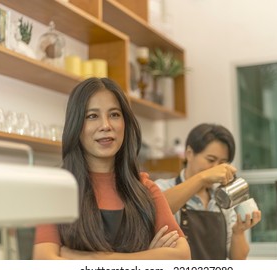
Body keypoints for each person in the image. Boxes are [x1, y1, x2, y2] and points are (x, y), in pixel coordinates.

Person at [33, 77, 190, 260]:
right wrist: (149, 258)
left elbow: (182, 257)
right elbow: (45, 263)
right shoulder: (56, 190)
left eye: (114, 114)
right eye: (92, 116)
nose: (106, 126)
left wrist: (82, 258)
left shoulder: (145, 190)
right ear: (76, 125)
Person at [154, 123, 261, 260]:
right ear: (189, 154)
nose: (216, 168)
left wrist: (238, 232)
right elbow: (155, 209)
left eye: (223, 162)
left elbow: (238, 259)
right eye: (211, 160)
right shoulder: (163, 188)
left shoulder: (223, 199)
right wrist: (203, 177)